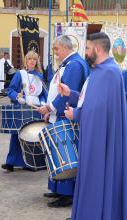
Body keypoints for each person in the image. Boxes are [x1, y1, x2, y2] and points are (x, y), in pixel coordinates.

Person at [60, 32, 127, 220]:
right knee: (90, 176)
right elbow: (89, 99)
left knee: (97, 177)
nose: (85, 52)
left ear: (97, 50)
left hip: (102, 139)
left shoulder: (109, 73)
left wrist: (76, 115)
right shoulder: (99, 71)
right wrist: (70, 94)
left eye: (88, 48)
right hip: (95, 135)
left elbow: (98, 110)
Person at [38, 35, 89, 208]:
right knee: (57, 153)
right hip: (59, 114)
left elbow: (67, 93)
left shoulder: (74, 65)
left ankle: (67, 193)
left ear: (66, 47)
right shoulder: (69, 64)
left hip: (66, 115)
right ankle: (58, 189)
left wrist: (50, 108)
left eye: (56, 49)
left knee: (65, 154)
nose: (55, 52)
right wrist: (50, 110)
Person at [2, 50, 47, 172]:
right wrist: (18, 97)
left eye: (35, 59)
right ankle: (11, 162)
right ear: (26, 61)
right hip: (23, 107)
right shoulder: (20, 74)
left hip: (36, 109)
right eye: (30, 59)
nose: (32, 61)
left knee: (33, 135)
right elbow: (10, 90)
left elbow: (43, 94)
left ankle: (32, 162)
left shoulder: (39, 76)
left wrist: (43, 103)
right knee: (17, 135)